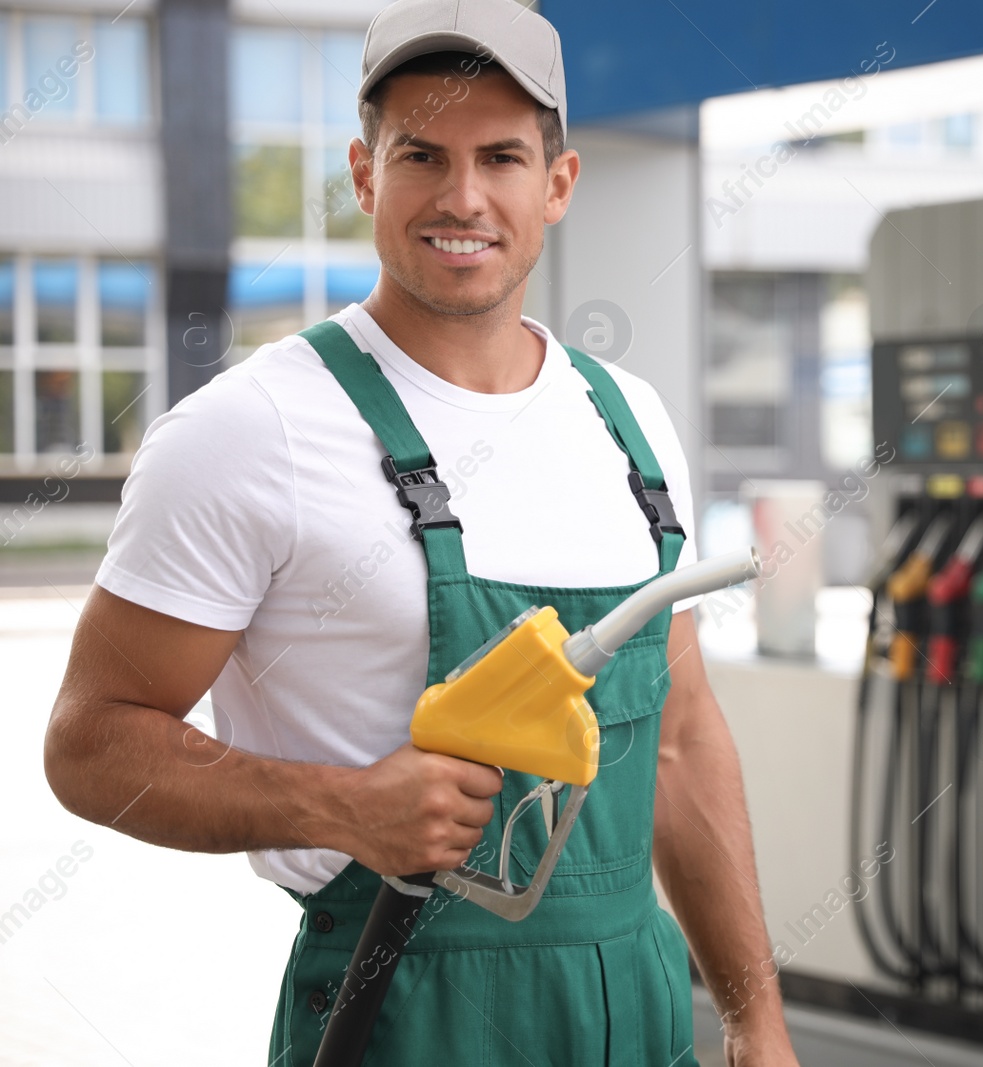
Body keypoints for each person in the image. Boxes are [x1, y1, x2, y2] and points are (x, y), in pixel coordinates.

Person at [42, 0, 799, 1063]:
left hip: (633, 1006)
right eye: (421, 155)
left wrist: (755, 1015)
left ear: (558, 184)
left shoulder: (628, 422)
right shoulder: (248, 432)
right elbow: (88, 742)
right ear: (362, 174)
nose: (463, 196)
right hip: (402, 1015)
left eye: (500, 155)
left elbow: (679, 738)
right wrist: (343, 807)